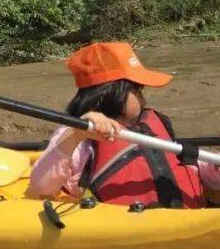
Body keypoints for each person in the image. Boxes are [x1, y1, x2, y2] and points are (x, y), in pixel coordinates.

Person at [26, 42, 220, 207]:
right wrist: (77, 134)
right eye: (137, 90)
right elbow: (40, 187)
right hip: (118, 232)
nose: (143, 98)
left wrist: (215, 167)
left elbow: (191, 169)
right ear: (110, 93)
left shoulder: (152, 124)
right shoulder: (78, 136)